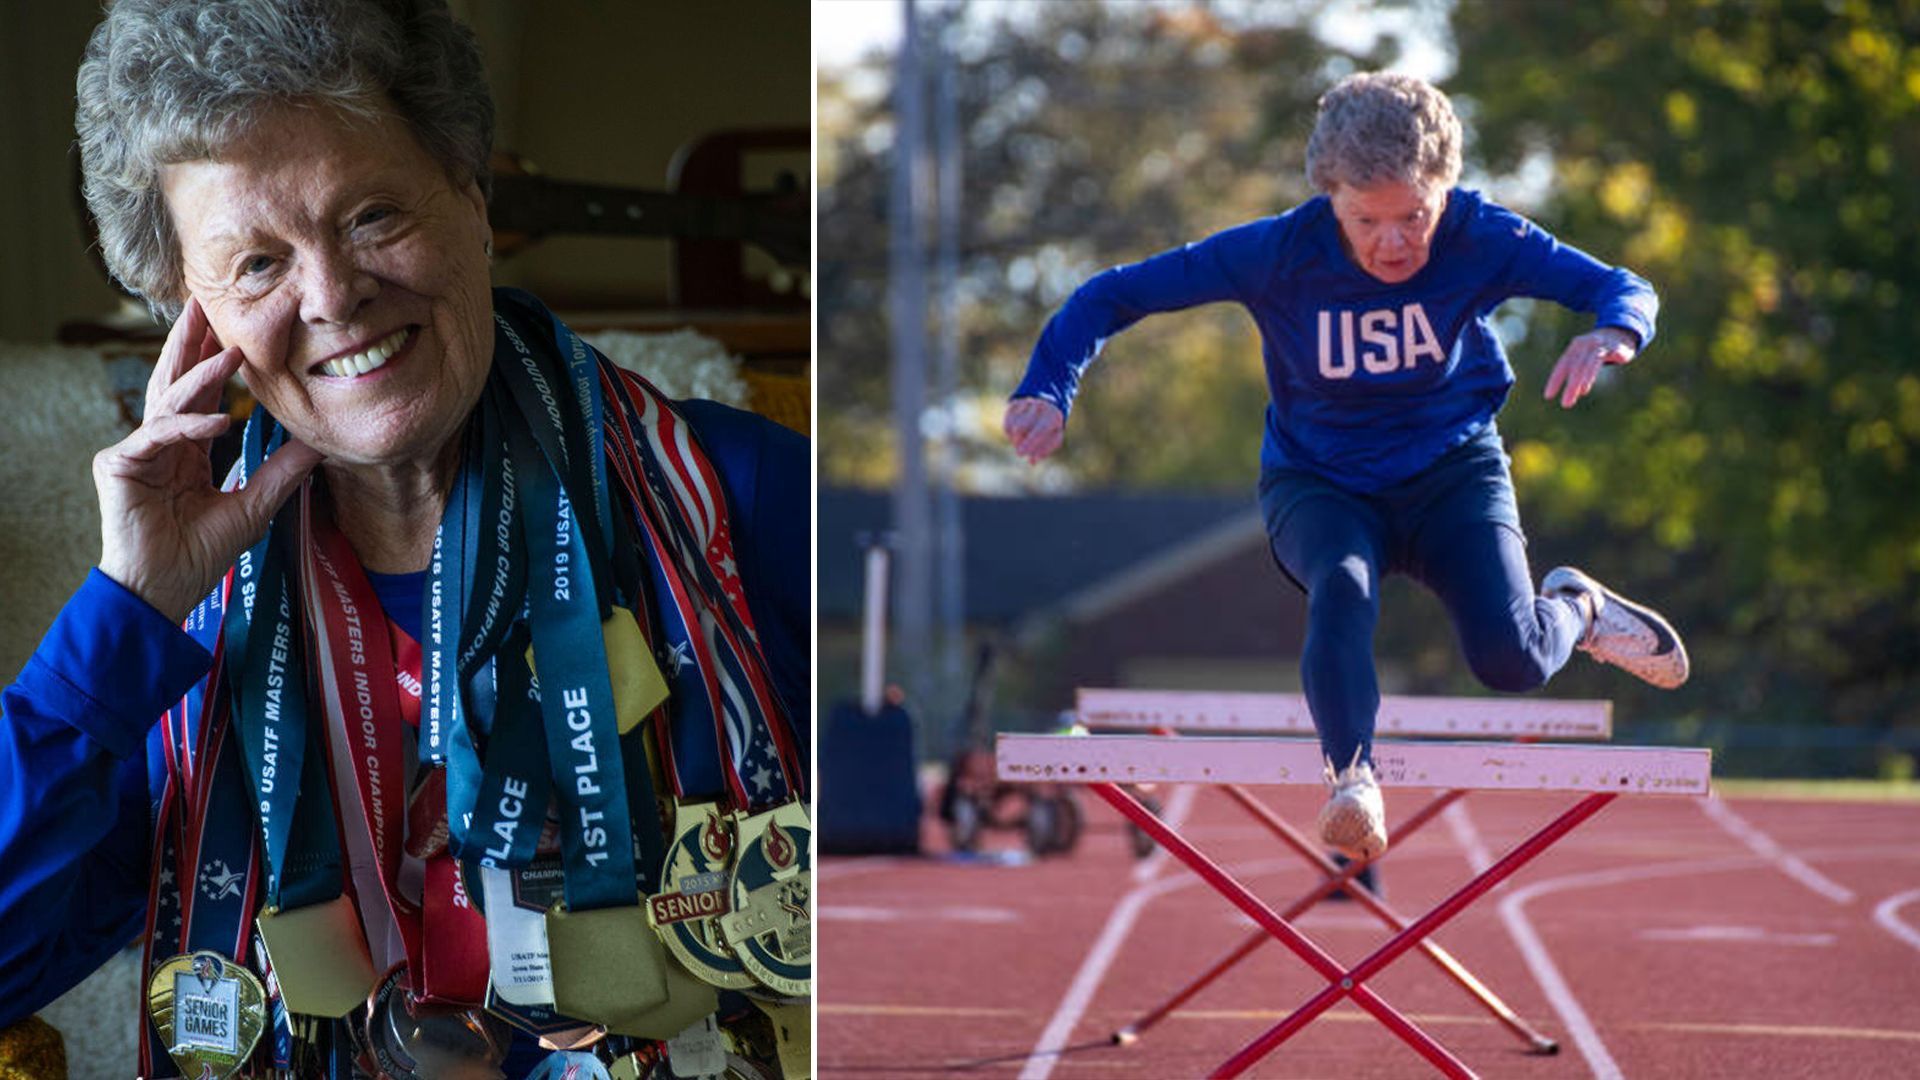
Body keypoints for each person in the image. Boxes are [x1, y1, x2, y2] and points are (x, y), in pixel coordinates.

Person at [0, 1, 808, 1077]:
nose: (333, 295)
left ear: (474, 205)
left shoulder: (731, 498)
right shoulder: (172, 630)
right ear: (189, 320)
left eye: (373, 214)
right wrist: (127, 608)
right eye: (255, 265)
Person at [1004, 72, 1687, 862]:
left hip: (1452, 472)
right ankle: (1353, 781)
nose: (1393, 243)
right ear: (1331, 197)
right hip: (1319, 481)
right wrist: (1048, 387)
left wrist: (1614, 334)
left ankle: (1581, 608)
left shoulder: (1481, 236)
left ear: (1446, 193)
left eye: (1414, 218)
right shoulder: (1276, 253)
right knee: (1343, 585)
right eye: (1368, 220)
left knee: (1513, 662)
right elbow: (1110, 296)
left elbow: (1619, 285)